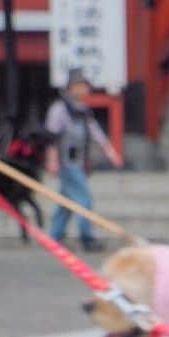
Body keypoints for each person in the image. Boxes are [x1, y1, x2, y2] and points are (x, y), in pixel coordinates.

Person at [44, 69, 122, 253]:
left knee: (66, 201)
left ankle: (55, 236)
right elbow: (51, 138)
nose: (86, 89)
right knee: (83, 199)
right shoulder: (59, 109)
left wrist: (110, 152)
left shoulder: (83, 110)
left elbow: (97, 134)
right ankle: (87, 237)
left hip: (79, 161)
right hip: (67, 162)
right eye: (82, 85)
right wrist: (52, 160)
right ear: (72, 88)